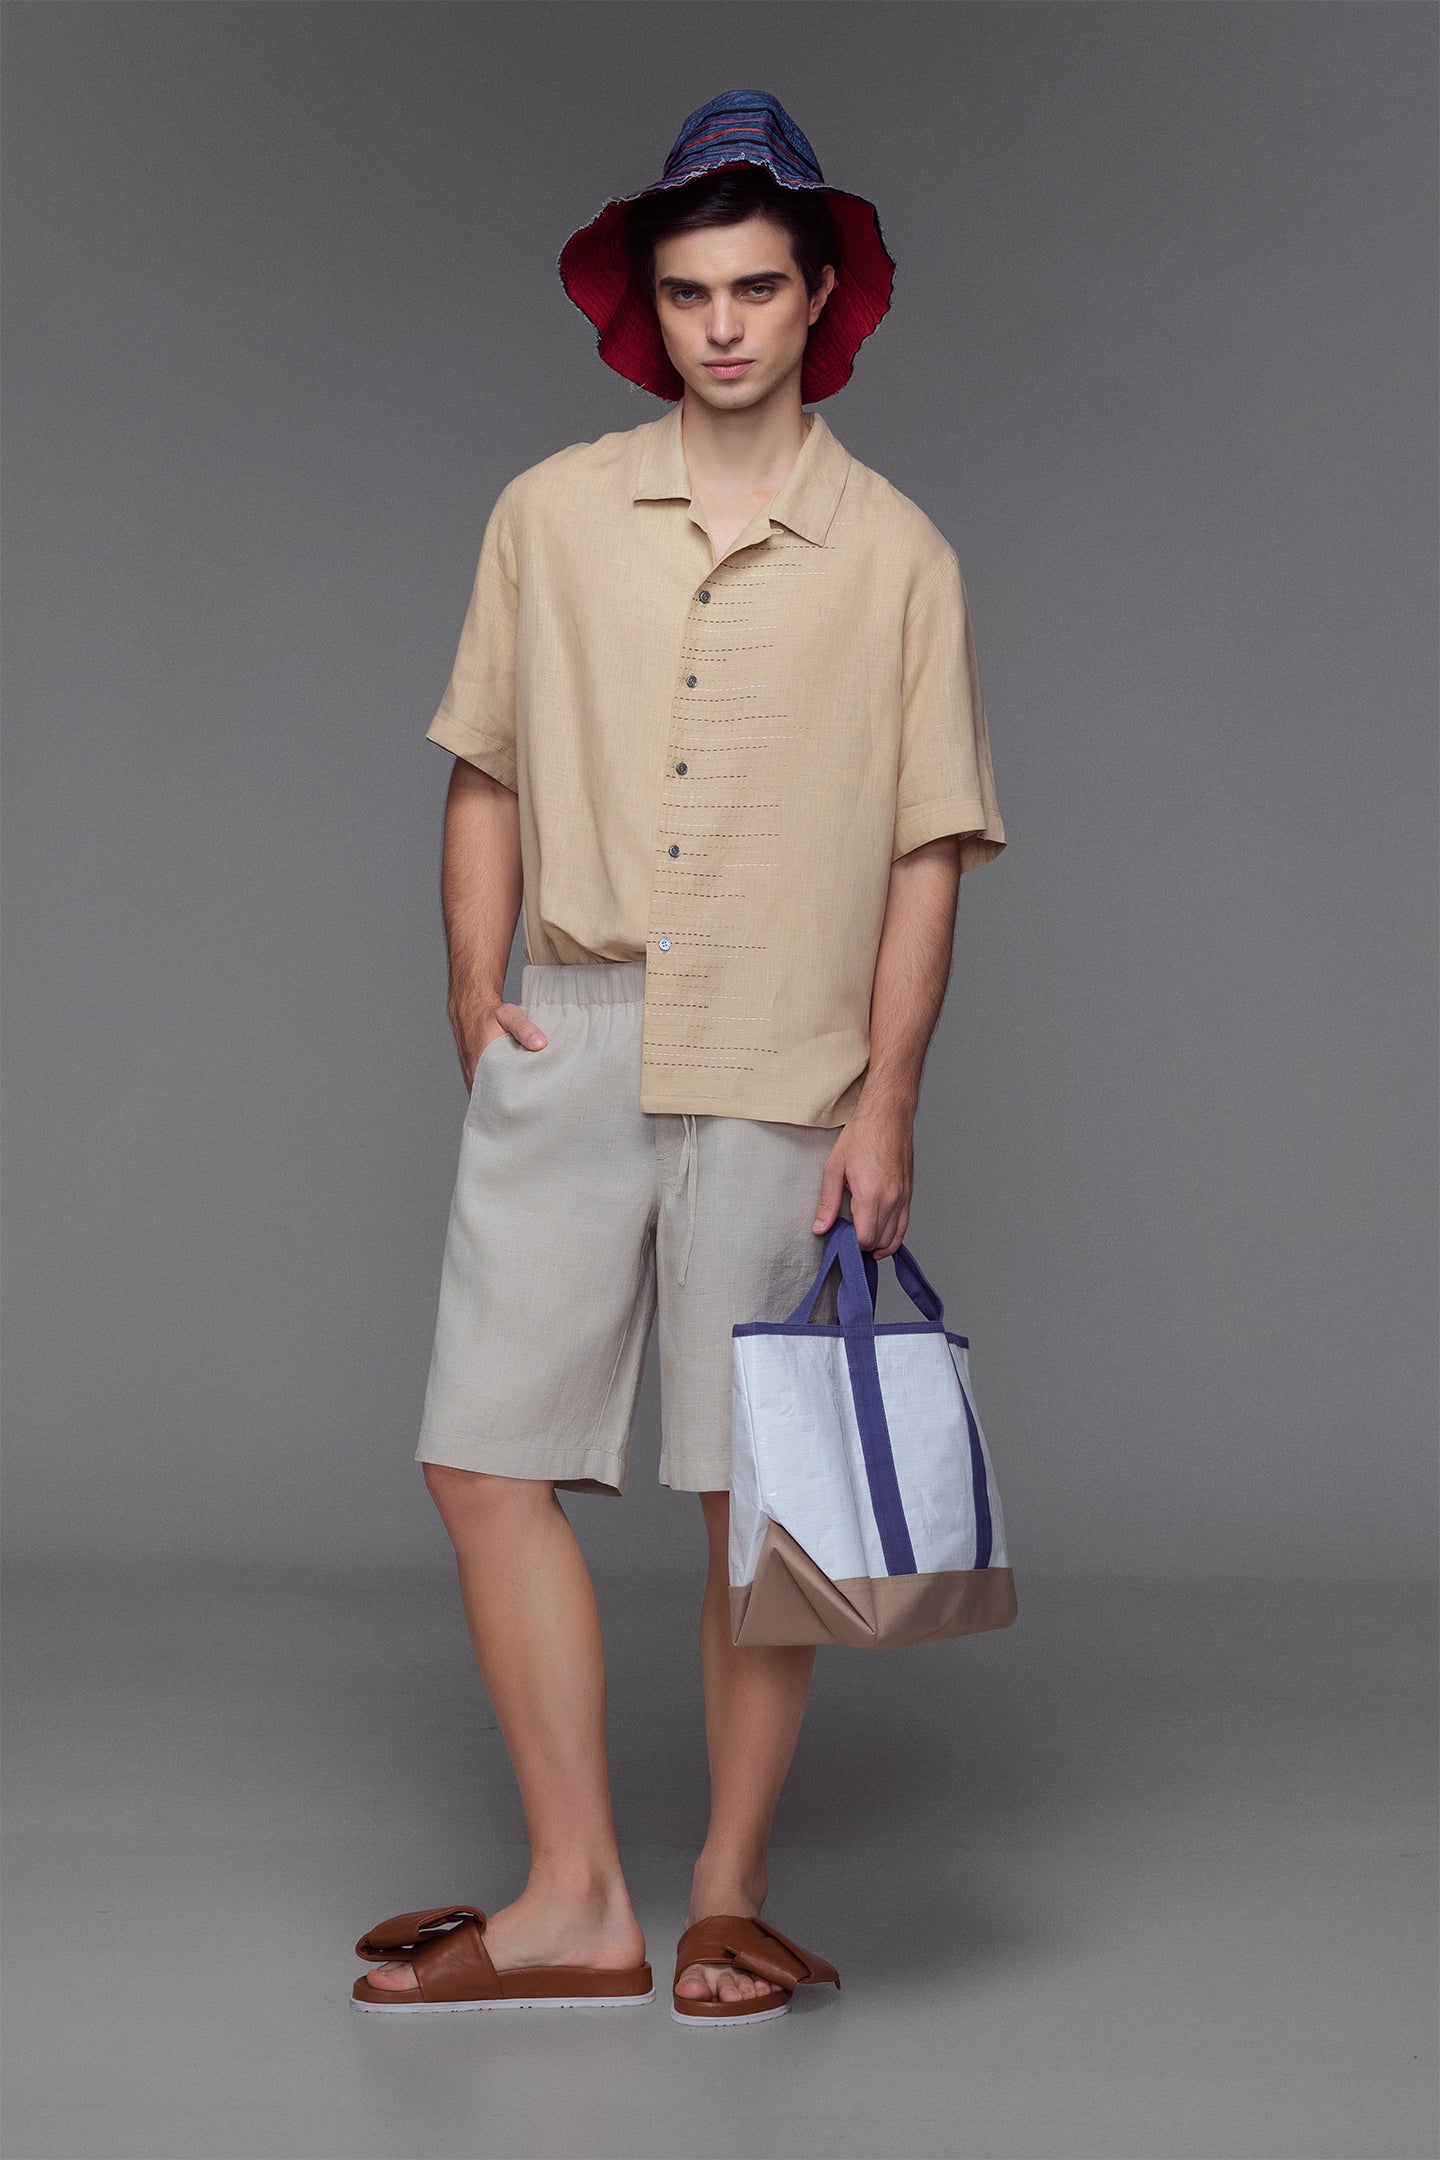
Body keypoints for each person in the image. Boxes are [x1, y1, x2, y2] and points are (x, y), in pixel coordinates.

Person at [351, 88, 1006, 2029]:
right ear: (651, 308)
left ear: (819, 302)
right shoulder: (548, 515)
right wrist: (472, 990)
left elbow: (927, 849)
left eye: (757, 289)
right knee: (484, 1457)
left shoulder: (900, 557)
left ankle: (724, 1892)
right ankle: (574, 1897)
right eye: (691, 292)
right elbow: (483, 767)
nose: (724, 325)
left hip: (790, 1060)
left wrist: (888, 1099)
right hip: (578, 1022)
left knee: (755, 1497)